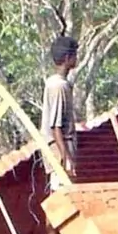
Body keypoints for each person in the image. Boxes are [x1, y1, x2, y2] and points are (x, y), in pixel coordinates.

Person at [41, 34, 79, 183]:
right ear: (67, 57)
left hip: (63, 155)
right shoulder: (58, 86)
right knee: (63, 198)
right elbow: (55, 127)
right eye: (75, 55)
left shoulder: (60, 83)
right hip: (60, 159)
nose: (77, 58)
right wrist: (65, 158)